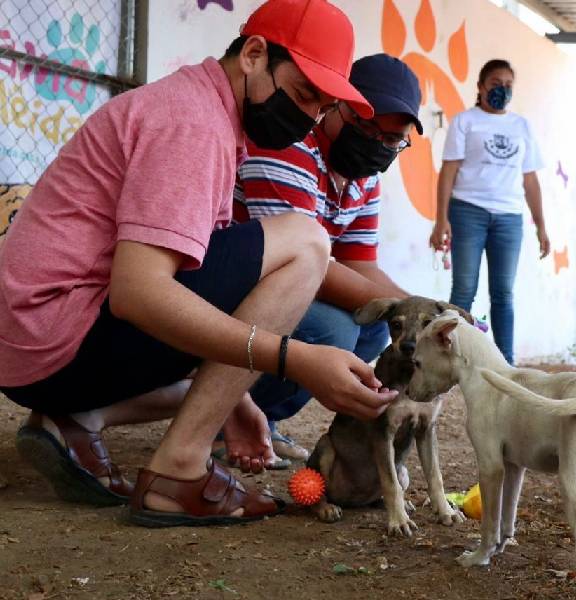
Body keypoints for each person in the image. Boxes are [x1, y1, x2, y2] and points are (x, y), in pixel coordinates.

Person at [0, 0, 397, 527]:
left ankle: (75, 419)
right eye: (303, 95)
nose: (306, 120)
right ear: (254, 54)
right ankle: (179, 471)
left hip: (35, 345)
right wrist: (293, 358)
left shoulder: (204, 110)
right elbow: (139, 293)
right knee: (305, 243)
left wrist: (234, 401)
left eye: (322, 109)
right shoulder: (192, 121)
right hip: (52, 338)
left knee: (217, 363)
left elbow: (191, 275)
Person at [236, 53, 422, 458]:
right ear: (335, 103)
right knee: (336, 331)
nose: (376, 143)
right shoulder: (289, 147)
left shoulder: (363, 178)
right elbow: (296, 263)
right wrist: (414, 314)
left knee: (376, 327)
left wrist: (426, 312)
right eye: (364, 125)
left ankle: (260, 418)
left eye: (391, 139)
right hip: (234, 282)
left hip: (283, 283)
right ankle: (224, 417)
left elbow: (361, 265)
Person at [429, 58, 551, 365]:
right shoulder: (465, 121)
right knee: (464, 289)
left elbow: (530, 179)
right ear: (481, 87)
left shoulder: (521, 126)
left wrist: (541, 226)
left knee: (503, 294)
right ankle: (451, 358)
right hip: (467, 210)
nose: (502, 90)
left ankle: (505, 362)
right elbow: (449, 171)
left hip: (509, 217)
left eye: (508, 85)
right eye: (496, 84)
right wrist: (440, 219)